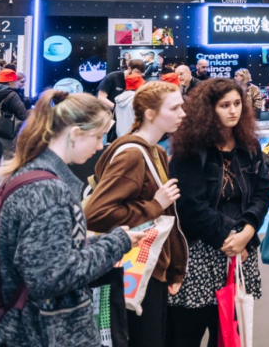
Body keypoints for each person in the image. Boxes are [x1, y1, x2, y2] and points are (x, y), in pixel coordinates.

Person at [0, 91, 143, 347]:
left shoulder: (33, 175)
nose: (98, 146)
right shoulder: (49, 190)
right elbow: (53, 276)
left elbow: (48, 258)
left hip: (32, 328)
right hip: (48, 332)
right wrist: (117, 242)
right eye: (97, 136)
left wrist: (104, 241)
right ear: (74, 134)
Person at [167, 78, 269, 347]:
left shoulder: (250, 146)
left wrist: (247, 233)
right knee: (186, 334)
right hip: (200, 252)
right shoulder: (191, 149)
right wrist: (232, 238)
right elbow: (191, 206)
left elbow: (262, 192)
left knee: (229, 335)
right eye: (225, 105)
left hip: (240, 251)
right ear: (209, 109)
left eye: (237, 103)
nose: (233, 110)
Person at [85, 81, 189, 347]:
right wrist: (153, 205)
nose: (183, 114)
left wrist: (174, 269)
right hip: (134, 271)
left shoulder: (155, 152)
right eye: (175, 108)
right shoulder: (133, 154)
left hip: (149, 269)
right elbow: (96, 213)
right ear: (151, 113)